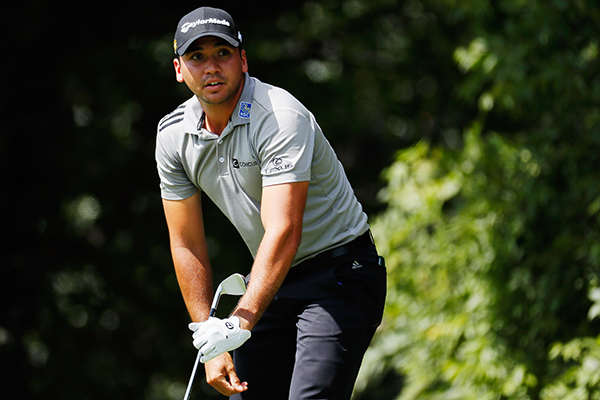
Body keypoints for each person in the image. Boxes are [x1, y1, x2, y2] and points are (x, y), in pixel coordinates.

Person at [155, 6, 386, 400]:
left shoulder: (279, 116)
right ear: (180, 69)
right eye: (197, 57)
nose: (211, 67)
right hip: (273, 280)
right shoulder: (173, 136)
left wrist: (237, 324)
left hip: (339, 274)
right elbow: (186, 244)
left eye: (223, 53)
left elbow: (284, 230)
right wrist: (210, 338)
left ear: (243, 60)